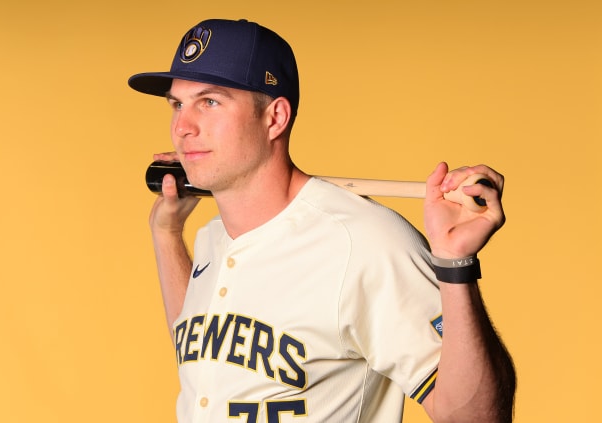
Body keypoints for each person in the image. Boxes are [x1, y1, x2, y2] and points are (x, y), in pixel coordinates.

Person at [128, 18, 516, 423]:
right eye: (177, 104)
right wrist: (167, 234)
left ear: (275, 118)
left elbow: (477, 417)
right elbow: (202, 363)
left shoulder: (365, 241)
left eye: (209, 102)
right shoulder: (213, 238)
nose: (182, 128)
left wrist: (455, 264)